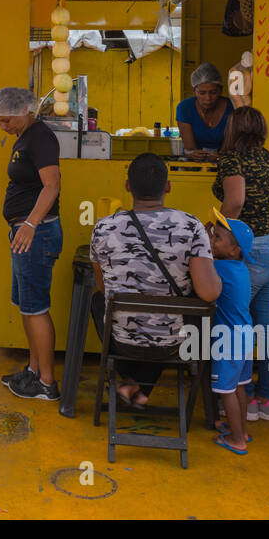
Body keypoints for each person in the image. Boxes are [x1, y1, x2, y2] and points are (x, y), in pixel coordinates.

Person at [89, 154, 221, 407]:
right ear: (168, 186)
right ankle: (138, 386)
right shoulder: (191, 227)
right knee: (183, 308)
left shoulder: (104, 228)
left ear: (128, 186)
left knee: (98, 301)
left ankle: (131, 382)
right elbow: (210, 293)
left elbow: (102, 286)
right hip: (172, 344)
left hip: (120, 341)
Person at [212, 105, 269, 421]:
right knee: (267, 328)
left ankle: (231, 395)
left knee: (233, 325)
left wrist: (218, 233)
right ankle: (265, 401)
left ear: (232, 129)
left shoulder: (232, 158)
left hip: (251, 248)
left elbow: (236, 201)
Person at [0, 86, 63, 400]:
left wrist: (31, 223)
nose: (3, 127)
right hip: (25, 234)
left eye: (6, 121)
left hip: (37, 233)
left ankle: (47, 382)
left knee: (37, 308)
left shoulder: (40, 137)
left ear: (24, 111)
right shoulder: (26, 136)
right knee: (27, 306)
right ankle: (33, 371)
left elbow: (52, 185)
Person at [207, 210, 256, 454]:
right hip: (245, 334)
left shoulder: (221, 267)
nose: (211, 241)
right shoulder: (239, 268)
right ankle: (241, 430)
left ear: (235, 250)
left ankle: (237, 439)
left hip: (228, 339)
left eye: (217, 238)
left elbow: (200, 268)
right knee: (239, 387)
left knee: (226, 390)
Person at [176, 62, 234, 158]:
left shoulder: (232, 108)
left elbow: (229, 148)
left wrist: (221, 156)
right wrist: (191, 153)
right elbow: (189, 148)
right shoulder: (184, 108)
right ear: (194, 91)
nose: (208, 98)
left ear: (221, 90)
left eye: (213, 92)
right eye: (202, 93)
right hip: (194, 164)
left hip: (224, 163)